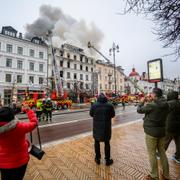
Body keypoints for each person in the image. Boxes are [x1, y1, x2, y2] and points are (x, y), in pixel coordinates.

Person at [137, 88, 169, 180]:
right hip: (162, 131)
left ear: (154, 95)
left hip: (151, 132)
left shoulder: (152, 105)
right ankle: (166, 175)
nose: (150, 94)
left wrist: (141, 102)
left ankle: (154, 176)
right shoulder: (166, 104)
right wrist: (152, 100)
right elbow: (158, 106)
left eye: (151, 93)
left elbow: (139, 110)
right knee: (162, 153)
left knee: (152, 154)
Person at [0, 105, 38, 180]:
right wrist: (29, 111)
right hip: (20, 160)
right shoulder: (20, 126)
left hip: (3, 161)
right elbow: (34, 123)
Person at [90, 93, 115, 166]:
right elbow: (113, 115)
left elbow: (91, 114)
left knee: (96, 143)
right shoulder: (110, 105)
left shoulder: (94, 105)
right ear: (105, 98)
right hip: (106, 127)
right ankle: (107, 160)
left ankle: (97, 159)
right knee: (107, 143)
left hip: (97, 127)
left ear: (98, 98)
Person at [164, 91, 180, 164]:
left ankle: (160, 154)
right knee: (179, 143)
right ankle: (178, 157)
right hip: (179, 126)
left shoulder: (169, 103)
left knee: (165, 141)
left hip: (170, 126)